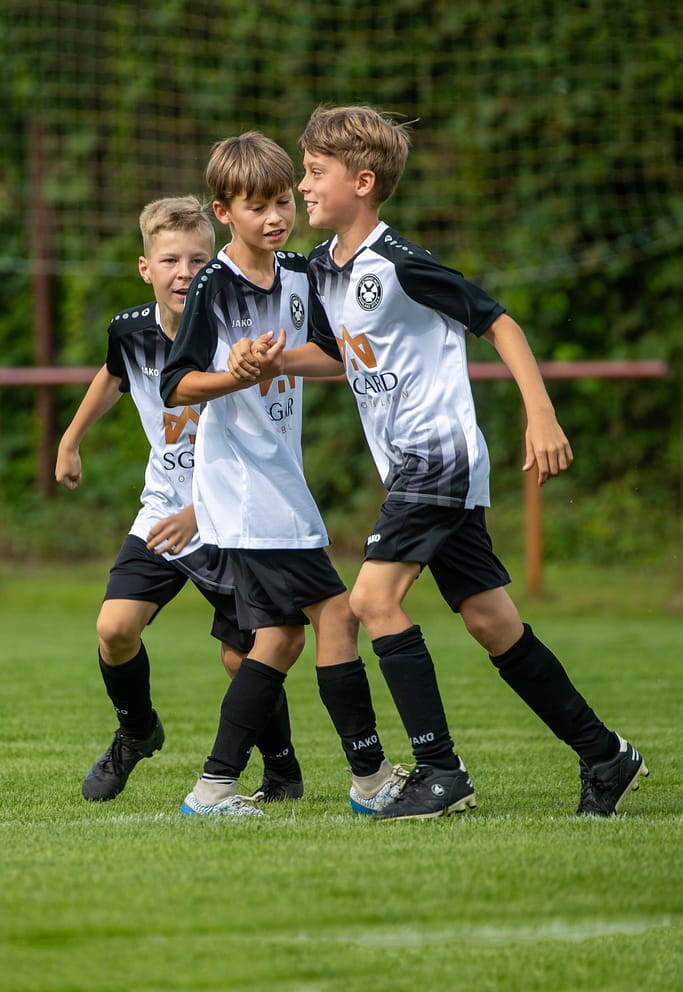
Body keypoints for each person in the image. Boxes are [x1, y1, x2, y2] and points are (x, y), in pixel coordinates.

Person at [229, 105, 648, 821]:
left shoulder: (400, 263)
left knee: (371, 600)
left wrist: (540, 412)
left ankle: (440, 770)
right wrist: (269, 362)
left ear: (363, 182)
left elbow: (499, 322)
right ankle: (604, 754)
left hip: (438, 456)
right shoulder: (324, 270)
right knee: (489, 620)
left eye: (316, 172)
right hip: (412, 467)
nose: (303, 186)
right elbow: (335, 356)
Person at [160, 132, 407, 819]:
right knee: (335, 613)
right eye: (256, 207)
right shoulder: (212, 285)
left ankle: (214, 787)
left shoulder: (300, 273)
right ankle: (369, 778)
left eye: (281, 202)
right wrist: (232, 373)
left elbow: (333, 358)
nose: (274, 218)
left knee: (280, 638)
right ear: (223, 212)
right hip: (243, 487)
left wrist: (275, 362)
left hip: (280, 479)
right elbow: (176, 385)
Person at [55, 195, 302, 808]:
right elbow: (113, 373)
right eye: (170, 260)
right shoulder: (131, 331)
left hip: (231, 514)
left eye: (197, 259)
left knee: (242, 656)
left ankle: (282, 769)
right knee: (114, 628)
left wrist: (204, 509)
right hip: (164, 509)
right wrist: (71, 440)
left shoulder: (233, 336)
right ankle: (137, 731)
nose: (185, 272)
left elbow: (258, 435)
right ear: (146, 268)